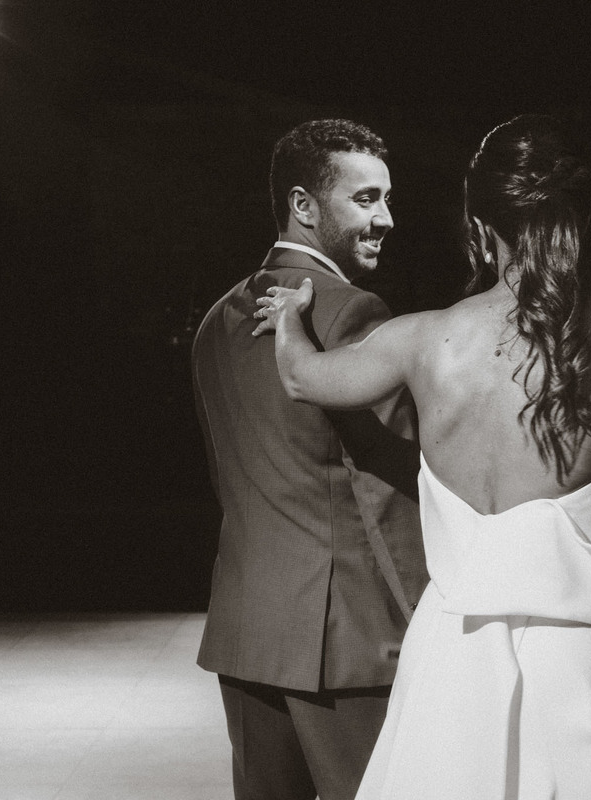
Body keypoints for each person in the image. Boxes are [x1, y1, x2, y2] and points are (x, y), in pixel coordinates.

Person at [252, 115, 591, 798]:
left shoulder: (421, 341)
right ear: (580, 221)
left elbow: (302, 378)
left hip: (447, 656)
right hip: (574, 664)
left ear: (478, 226)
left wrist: (291, 320)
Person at [191, 118, 428, 800]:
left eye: (386, 198)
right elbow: (390, 487)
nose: (386, 219)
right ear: (303, 205)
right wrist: (427, 618)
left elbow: (230, 479)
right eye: (365, 198)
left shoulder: (214, 321)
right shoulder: (351, 312)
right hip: (347, 639)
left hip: (247, 628)